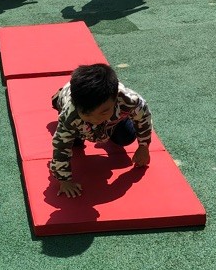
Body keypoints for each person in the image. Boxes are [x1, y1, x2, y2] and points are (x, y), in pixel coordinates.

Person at [49, 64, 153, 198]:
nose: (95, 119)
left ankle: (103, 126)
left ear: (115, 99)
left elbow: (143, 117)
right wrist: (64, 180)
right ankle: (58, 98)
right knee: (74, 143)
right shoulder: (70, 114)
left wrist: (144, 146)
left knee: (126, 136)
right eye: (88, 115)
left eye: (103, 112)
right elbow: (60, 147)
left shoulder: (128, 100)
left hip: (110, 121)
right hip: (73, 110)